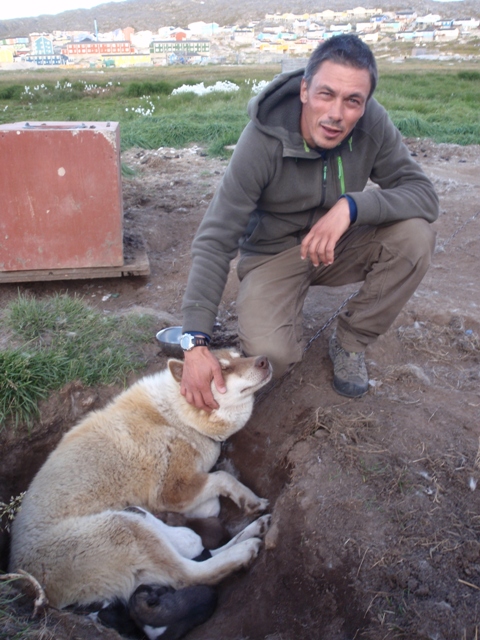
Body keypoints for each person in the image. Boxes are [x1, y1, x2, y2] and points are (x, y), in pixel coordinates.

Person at [179, 34, 438, 411]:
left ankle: (350, 342)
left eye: (353, 101)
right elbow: (215, 238)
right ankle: (281, 307)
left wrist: (352, 206)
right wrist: (195, 342)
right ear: (304, 90)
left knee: (415, 236)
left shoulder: (372, 124)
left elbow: (424, 194)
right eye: (325, 95)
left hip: (337, 244)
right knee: (272, 358)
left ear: (365, 104)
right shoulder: (261, 139)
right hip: (272, 254)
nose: (336, 114)